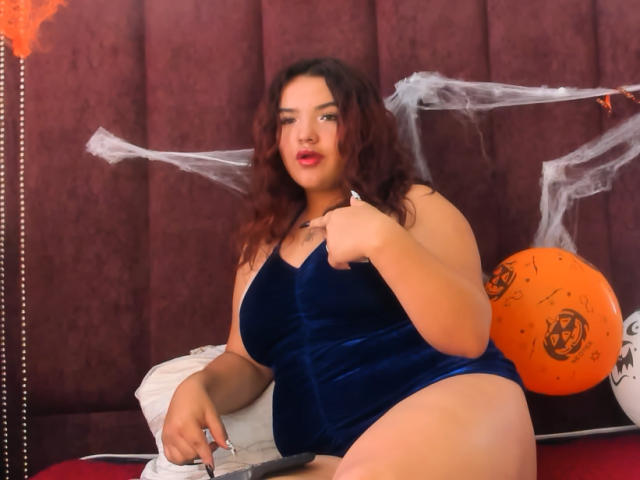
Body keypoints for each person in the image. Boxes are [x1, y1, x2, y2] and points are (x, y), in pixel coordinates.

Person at [161, 57, 537, 479]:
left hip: (449, 399)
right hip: (328, 456)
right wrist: (199, 386)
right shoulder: (262, 244)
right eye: (288, 120)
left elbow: (469, 335)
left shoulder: (412, 207)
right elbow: (247, 361)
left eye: (328, 116)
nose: (305, 133)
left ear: (361, 128)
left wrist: (383, 240)